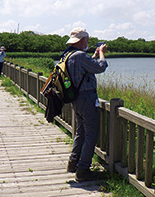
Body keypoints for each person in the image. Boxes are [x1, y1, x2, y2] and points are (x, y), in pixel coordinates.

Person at [64, 27, 108, 182]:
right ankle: (83, 170)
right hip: (87, 98)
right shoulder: (81, 56)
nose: (88, 43)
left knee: (80, 132)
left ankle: (73, 162)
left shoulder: (68, 55)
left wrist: (93, 56)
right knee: (91, 134)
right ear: (82, 41)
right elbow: (100, 68)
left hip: (75, 99)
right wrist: (101, 54)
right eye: (87, 41)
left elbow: (82, 67)